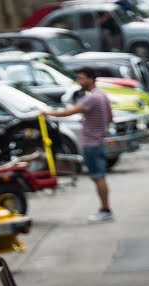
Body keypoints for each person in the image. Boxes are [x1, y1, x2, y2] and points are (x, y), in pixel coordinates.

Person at [51, 67, 114, 223]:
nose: (79, 82)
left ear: (91, 79)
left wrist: (47, 113)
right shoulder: (102, 95)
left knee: (98, 177)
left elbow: (68, 112)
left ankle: (105, 209)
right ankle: (105, 209)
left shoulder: (92, 98)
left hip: (92, 143)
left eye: (81, 78)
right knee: (100, 177)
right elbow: (110, 117)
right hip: (99, 141)